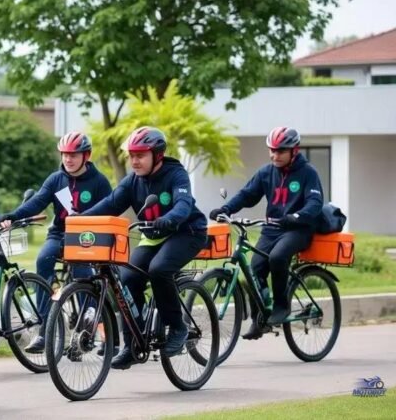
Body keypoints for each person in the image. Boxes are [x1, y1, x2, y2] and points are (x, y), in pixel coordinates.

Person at [84, 126, 207, 367]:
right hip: (154, 235)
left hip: (186, 231)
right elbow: (109, 205)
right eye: (131, 156)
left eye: (140, 155)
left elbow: (183, 205)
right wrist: (78, 219)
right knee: (127, 278)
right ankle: (133, 344)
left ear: (157, 155)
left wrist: (169, 218)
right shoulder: (132, 181)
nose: (134, 161)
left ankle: (178, 327)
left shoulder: (176, 175)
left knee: (159, 269)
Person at [0, 132, 112, 354]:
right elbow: (37, 202)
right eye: (65, 154)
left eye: (74, 155)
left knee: (81, 270)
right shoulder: (55, 180)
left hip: (88, 236)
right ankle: (44, 328)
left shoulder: (99, 182)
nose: (68, 159)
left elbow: (111, 209)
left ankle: (87, 322)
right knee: (43, 259)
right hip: (59, 233)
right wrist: (12, 215)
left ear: (86, 155)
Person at [210, 127, 323, 339]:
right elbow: (247, 195)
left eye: (280, 151)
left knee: (278, 257)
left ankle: (282, 306)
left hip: (298, 230)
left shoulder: (308, 173)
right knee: (255, 268)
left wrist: (297, 216)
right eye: (272, 150)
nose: (274, 155)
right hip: (271, 229)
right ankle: (258, 320)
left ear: (294, 151)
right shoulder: (266, 172)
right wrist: (226, 209)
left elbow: (315, 202)